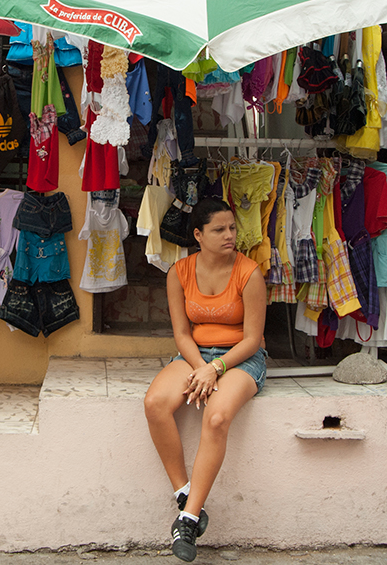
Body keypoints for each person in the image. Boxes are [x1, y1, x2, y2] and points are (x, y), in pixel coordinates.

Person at [143, 197, 268, 562]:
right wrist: (200, 366)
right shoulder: (178, 272)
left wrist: (216, 370)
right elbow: (182, 334)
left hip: (240, 359)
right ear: (199, 234)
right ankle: (184, 491)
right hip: (195, 355)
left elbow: (251, 339)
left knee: (216, 416)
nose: (230, 235)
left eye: (232, 228)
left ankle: (189, 517)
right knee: (154, 404)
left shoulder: (250, 274)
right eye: (219, 230)